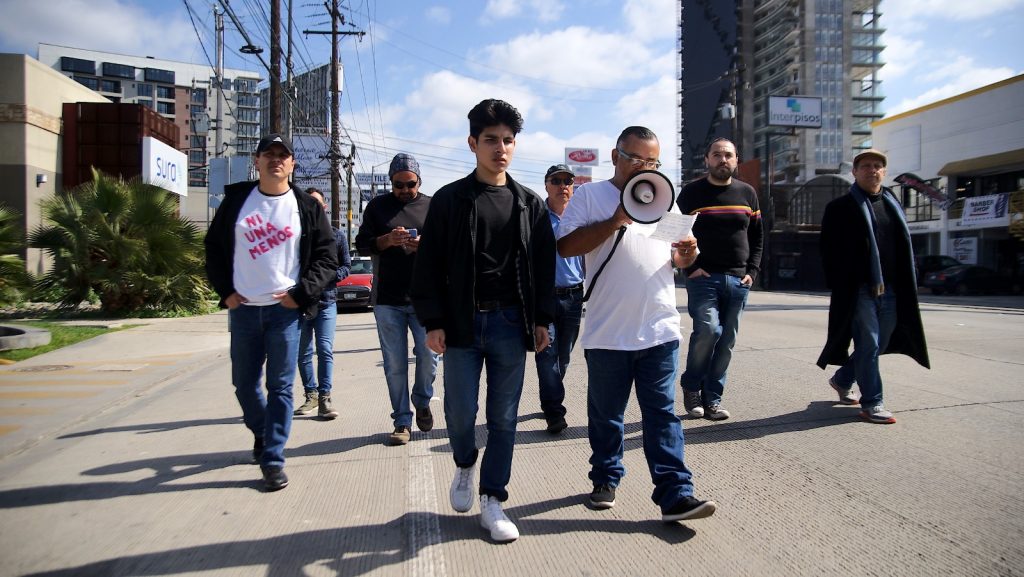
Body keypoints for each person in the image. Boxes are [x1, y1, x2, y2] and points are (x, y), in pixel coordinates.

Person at [410, 99, 555, 543]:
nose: (500, 148)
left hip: (512, 323)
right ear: (473, 143)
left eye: (508, 140)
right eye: (491, 139)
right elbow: (428, 265)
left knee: (504, 418)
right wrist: (433, 320)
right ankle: (464, 462)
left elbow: (544, 268)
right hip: (461, 325)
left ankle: (493, 500)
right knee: (458, 411)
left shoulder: (529, 204)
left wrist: (543, 319)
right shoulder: (451, 200)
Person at [558, 126, 717, 523]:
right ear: (615, 156)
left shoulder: (666, 198)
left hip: (660, 328)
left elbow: (674, 260)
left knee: (662, 414)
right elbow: (566, 248)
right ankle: (606, 477)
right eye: (636, 159)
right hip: (608, 332)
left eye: (652, 162)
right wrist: (614, 220)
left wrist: (687, 255)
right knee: (607, 414)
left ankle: (676, 494)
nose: (645, 168)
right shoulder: (589, 196)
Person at [204, 133, 338, 491]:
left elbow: (327, 257)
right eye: (269, 154)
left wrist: (301, 293)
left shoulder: (307, 207)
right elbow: (213, 249)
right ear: (257, 160)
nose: (276, 160)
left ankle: (273, 458)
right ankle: (262, 432)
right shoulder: (236, 201)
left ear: (292, 164)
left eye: (283, 155)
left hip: (284, 311)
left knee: (280, 386)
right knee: (244, 385)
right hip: (244, 310)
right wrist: (226, 292)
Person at [817, 149, 930, 424]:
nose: (872, 170)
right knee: (868, 343)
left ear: (884, 172)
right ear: (854, 172)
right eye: (865, 166)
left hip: (892, 287)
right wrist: (843, 283)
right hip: (859, 290)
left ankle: (843, 379)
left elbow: (904, 246)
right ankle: (872, 403)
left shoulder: (892, 204)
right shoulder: (840, 207)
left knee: (881, 342)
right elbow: (828, 251)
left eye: (878, 166)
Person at [355, 153, 440, 446]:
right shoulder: (377, 207)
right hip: (387, 300)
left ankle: (422, 398)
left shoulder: (432, 206)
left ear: (419, 180)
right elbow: (362, 244)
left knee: (429, 356)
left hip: (424, 299)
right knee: (394, 364)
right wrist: (385, 240)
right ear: (391, 182)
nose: (405, 190)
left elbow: (449, 248)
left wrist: (425, 246)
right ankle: (402, 420)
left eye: (410, 184)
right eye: (398, 185)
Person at [677, 138, 763, 421]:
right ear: (707, 159)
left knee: (726, 341)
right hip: (703, 277)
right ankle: (692, 388)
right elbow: (675, 233)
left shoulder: (747, 193)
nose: (722, 159)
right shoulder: (691, 194)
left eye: (728, 155)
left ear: (736, 160)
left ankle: (713, 399)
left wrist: (753, 270)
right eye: (717, 155)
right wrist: (691, 269)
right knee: (708, 330)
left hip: (739, 280)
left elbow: (757, 236)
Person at [534, 163, 585, 435]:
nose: (563, 186)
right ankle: (554, 411)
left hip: (574, 297)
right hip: (543, 298)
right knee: (546, 354)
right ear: (546, 185)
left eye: (568, 181)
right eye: (556, 180)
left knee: (562, 357)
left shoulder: (581, 216)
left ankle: (550, 396)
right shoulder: (535, 216)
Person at [294, 187, 351, 420]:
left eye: (317, 202)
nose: (313, 206)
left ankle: (325, 397)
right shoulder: (295, 234)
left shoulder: (337, 236)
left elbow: (345, 267)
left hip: (327, 301)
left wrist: (327, 277)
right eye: (309, 202)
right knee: (303, 353)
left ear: (324, 206)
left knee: (325, 350)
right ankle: (311, 395)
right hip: (301, 303)